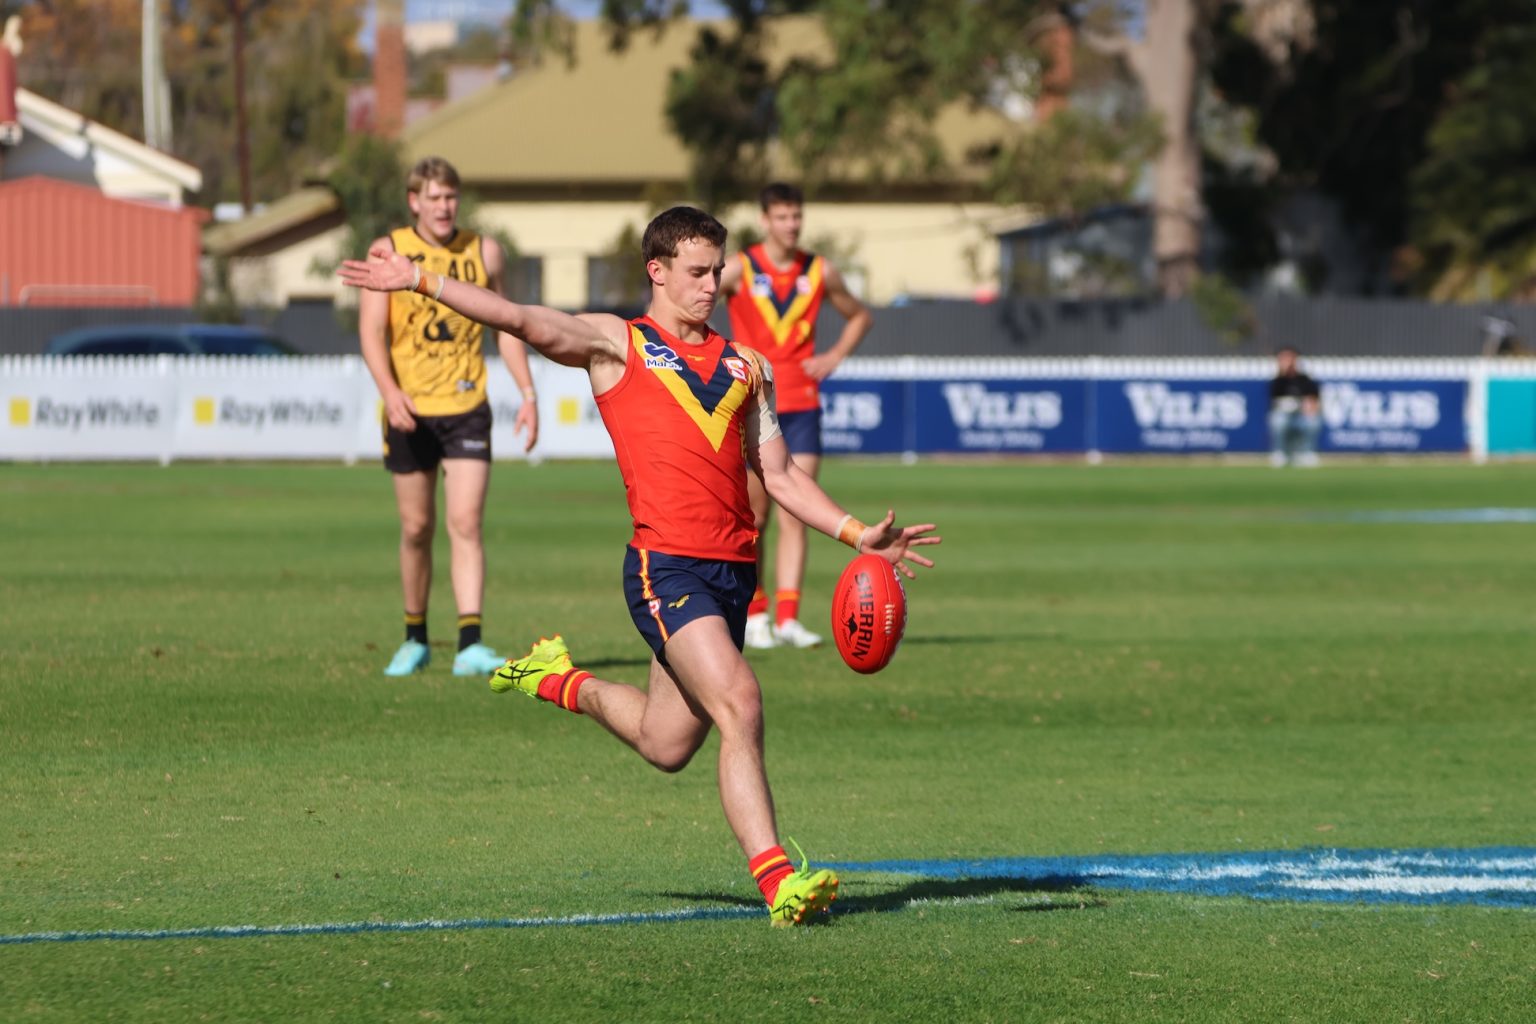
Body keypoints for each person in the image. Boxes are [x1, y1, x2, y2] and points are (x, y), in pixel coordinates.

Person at [340, 206, 939, 926]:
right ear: (656, 272)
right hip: (666, 570)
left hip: (731, 574)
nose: (712, 284)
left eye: (717, 270)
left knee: (667, 743)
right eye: (697, 272)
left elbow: (778, 477)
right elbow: (522, 318)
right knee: (741, 702)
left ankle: (556, 679)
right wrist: (421, 281)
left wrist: (856, 534)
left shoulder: (749, 367)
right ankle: (780, 881)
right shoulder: (618, 346)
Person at [358, 156, 539, 677]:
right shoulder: (388, 251)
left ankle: (470, 642)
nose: (444, 207)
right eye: (434, 198)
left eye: (451, 197)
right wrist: (389, 391)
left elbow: (508, 326)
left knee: (466, 523)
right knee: (417, 527)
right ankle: (415, 636)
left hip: (466, 409)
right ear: (414, 201)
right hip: (410, 410)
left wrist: (527, 392)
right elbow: (372, 331)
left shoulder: (484, 251)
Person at [720, 183, 873, 650]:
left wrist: (833, 357)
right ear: (765, 220)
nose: (791, 225)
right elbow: (690, 300)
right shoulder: (739, 268)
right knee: (756, 513)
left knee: (798, 512)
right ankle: (756, 612)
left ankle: (788, 618)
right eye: (782, 217)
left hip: (803, 402)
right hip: (752, 401)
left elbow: (859, 316)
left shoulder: (819, 270)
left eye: (796, 216)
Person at [1268, 344, 1321, 467]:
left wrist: (1308, 406)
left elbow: (1313, 399)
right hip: (1284, 415)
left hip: (1301, 416)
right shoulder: (1277, 380)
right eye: (1284, 358)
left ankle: (1306, 454)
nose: (1288, 361)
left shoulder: (1305, 380)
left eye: (1291, 358)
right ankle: (1281, 453)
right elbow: (1273, 399)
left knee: (1313, 420)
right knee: (1278, 420)